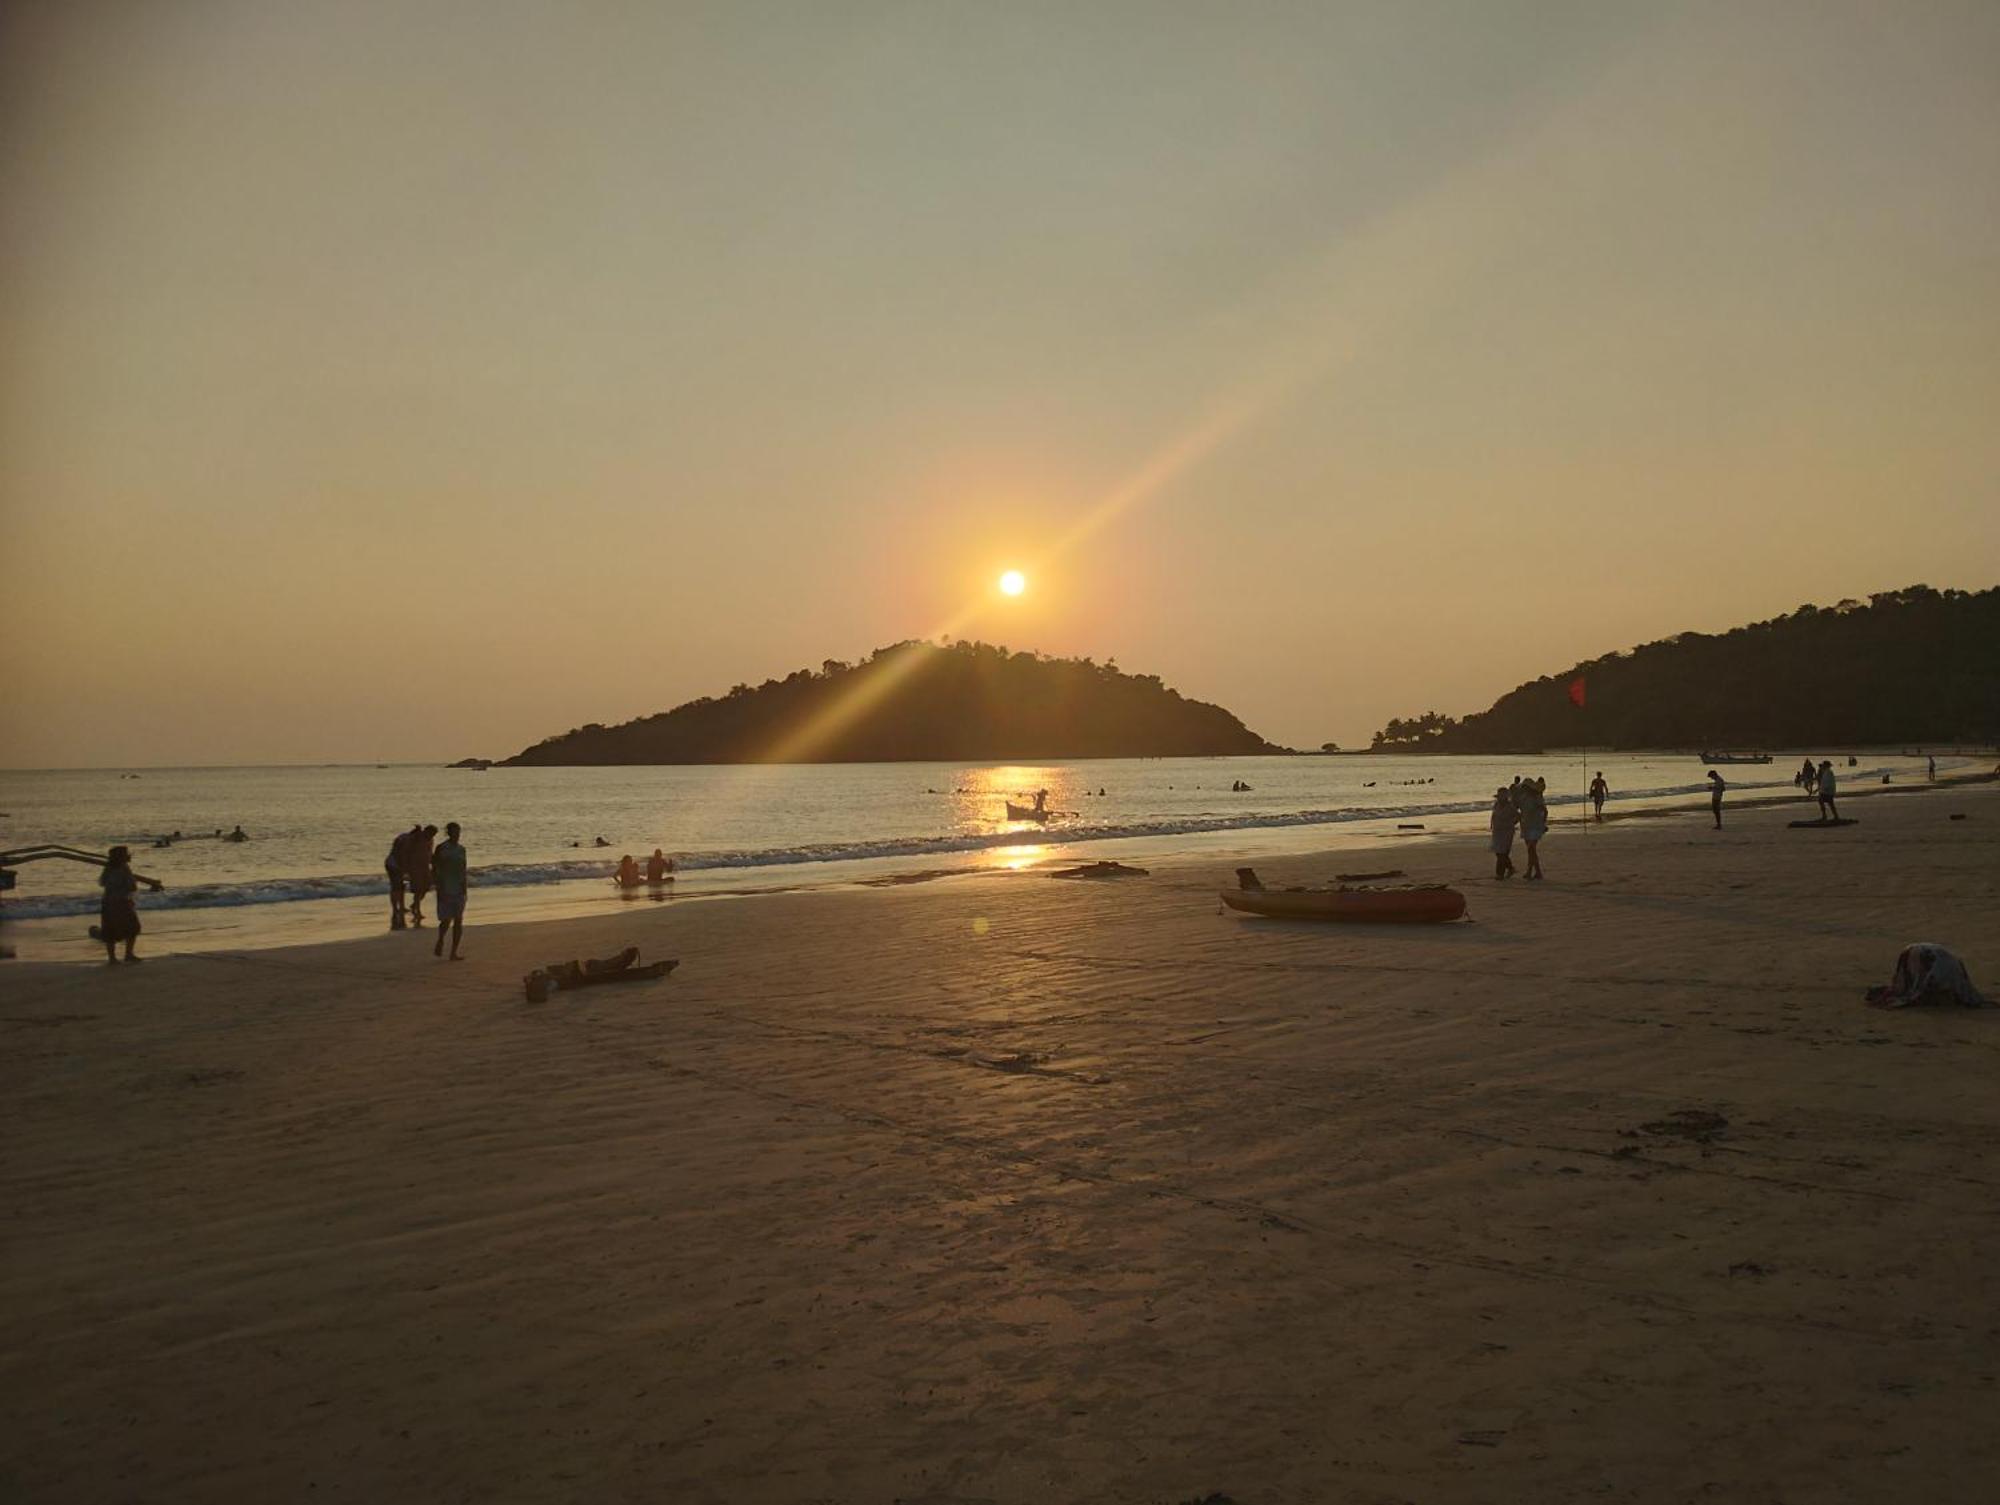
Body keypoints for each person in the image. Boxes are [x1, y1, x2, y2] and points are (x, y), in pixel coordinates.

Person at [98, 845, 143, 965]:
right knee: (133, 928)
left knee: (110, 931)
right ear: (121, 857)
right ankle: (128, 954)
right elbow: (131, 886)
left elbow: (102, 882)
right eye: (126, 853)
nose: (129, 855)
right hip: (120, 903)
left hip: (108, 902)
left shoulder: (109, 868)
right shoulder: (122, 868)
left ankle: (113, 958)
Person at [432, 822, 468, 960]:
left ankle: (454, 952)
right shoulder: (442, 848)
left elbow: (463, 869)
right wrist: (438, 886)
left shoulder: (461, 849)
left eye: (458, 832)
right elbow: (435, 868)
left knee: (458, 921)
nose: (457, 835)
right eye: (454, 832)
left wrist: (464, 888)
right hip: (445, 888)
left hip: (458, 888)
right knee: (446, 920)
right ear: (449, 833)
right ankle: (440, 939)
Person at [384, 825, 418, 930]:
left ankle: (400, 907)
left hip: (392, 862)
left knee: (400, 887)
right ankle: (396, 908)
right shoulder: (407, 840)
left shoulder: (403, 837)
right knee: (396, 887)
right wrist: (405, 869)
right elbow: (402, 855)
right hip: (393, 864)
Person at [405, 824, 438, 925]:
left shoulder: (431, 840)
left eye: (433, 835)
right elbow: (408, 848)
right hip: (415, 867)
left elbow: (429, 853)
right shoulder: (418, 838)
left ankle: (414, 905)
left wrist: (434, 863)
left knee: (426, 888)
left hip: (425, 867)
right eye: (431, 834)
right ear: (426, 831)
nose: (432, 836)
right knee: (418, 890)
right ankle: (417, 911)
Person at [1517, 776, 1549, 880]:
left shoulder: (1537, 798)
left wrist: (1543, 823)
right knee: (1530, 850)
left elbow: (1544, 811)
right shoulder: (1522, 798)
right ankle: (1534, 872)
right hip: (1526, 825)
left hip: (1535, 825)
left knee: (1531, 848)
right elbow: (1518, 809)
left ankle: (1532, 871)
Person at [1488, 787, 1518, 879]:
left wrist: (1511, 824)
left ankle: (1500, 874)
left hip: (1507, 832)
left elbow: (1518, 816)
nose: (1500, 798)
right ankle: (1510, 868)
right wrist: (1491, 825)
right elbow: (1493, 815)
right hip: (1497, 831)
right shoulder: (1496, 805)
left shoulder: (1510, 806)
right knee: (1498, 852)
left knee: (1503, 853)